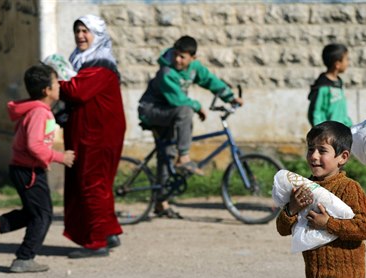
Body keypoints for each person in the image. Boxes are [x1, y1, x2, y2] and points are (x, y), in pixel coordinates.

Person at [276, 121, 366, 278]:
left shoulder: (349, 189)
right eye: (311, 149)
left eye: (323, 151)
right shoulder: (304, 188)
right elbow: (282, 228)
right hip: (317, 273)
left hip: (343, 273)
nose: (314, 156)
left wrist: (328, 223)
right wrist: (290, 208)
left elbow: (364, 228)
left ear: (343, 157)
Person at [0, 64, 75, 272]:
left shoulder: (39, 110)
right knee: (43, 215)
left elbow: (35, 145)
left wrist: (44, 161)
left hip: (28, 168)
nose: (60, 86)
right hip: (27, 171)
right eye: (56, 82)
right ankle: (24, 258)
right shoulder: (40, 113)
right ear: (47, 91)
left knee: (34, 212)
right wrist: (59, 157)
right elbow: (34, 145)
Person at [138, 35, 243, 217]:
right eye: (176, 55)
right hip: (152, 110)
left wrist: (230, 96)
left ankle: (161, 203)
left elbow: (210, 80)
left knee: (166, 155)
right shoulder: (166, 72)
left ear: (193, 58)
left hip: (169, 112)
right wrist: (197, 106)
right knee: (186, 110)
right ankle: (184, 158)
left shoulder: (194, 68)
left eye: (182, 57)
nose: (177, 60)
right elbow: (177, 99)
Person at [59, 14, 126, 258]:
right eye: (77, 31)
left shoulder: (99, 63)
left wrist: (54, 82)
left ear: (97, 34)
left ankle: (97, 241)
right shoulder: (81, 60)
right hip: (87, 131)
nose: (80, 36)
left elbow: (76, 91)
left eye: (85, 31)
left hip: (98, 135)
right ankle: (108, 232)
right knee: (95, 183)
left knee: (92, 183)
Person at [307, 43, 352, 127]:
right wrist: (321, 132)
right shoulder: (322, 87)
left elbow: (341, 111)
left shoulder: (338, 83)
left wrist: (348, 125)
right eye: (346, 59)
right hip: (328, 135)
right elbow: (316, 112)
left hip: (341, 132)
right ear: (337, 64)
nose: (348, 63)